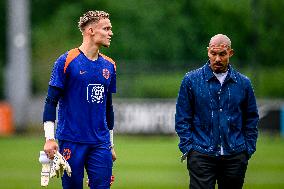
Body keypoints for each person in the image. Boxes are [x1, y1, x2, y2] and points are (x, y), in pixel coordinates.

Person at [42, 10, 117, 189]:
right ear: (90, 31)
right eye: (106, 29)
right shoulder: (66, 61)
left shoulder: (110, 65)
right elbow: (51, 101)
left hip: (100, 144)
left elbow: (108, 107)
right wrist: (49, 138)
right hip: (71, 141)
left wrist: (111, 144)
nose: (111, 33)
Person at [175, 34, 259, 189]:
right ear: (208, 51)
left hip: (235, 155)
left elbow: (251, 119)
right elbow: (182, 118)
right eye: (213, 53)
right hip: (200, 154)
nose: (217, 59)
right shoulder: (191, 80)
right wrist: (189, 149)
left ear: (230, 53)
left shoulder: (244, 83)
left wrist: (247, 150)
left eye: (222, 54)